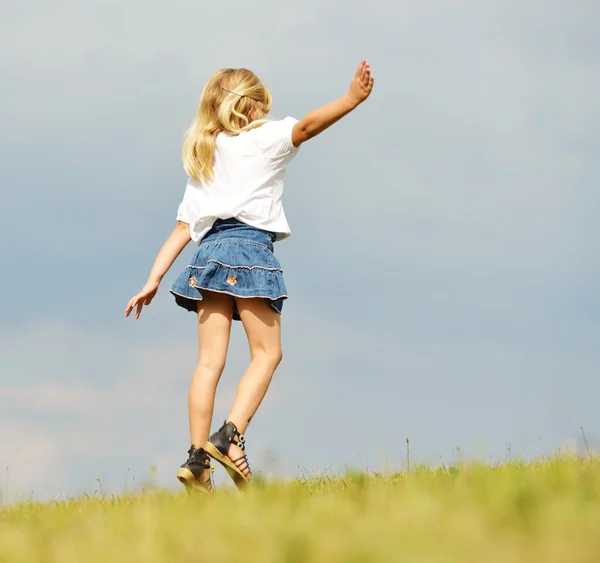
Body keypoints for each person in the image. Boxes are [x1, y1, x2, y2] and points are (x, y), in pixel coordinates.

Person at [125, 60, 375, 493]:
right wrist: (352, 99)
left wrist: (152, 278)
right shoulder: (265, 137)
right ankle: (230, 435)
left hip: (209, 256)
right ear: (254, 105)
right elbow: (310, 126)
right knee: (267, 354)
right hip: (250, 250)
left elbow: (184, 228)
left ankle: (197, 459)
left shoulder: (207, 152)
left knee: (208, 363)